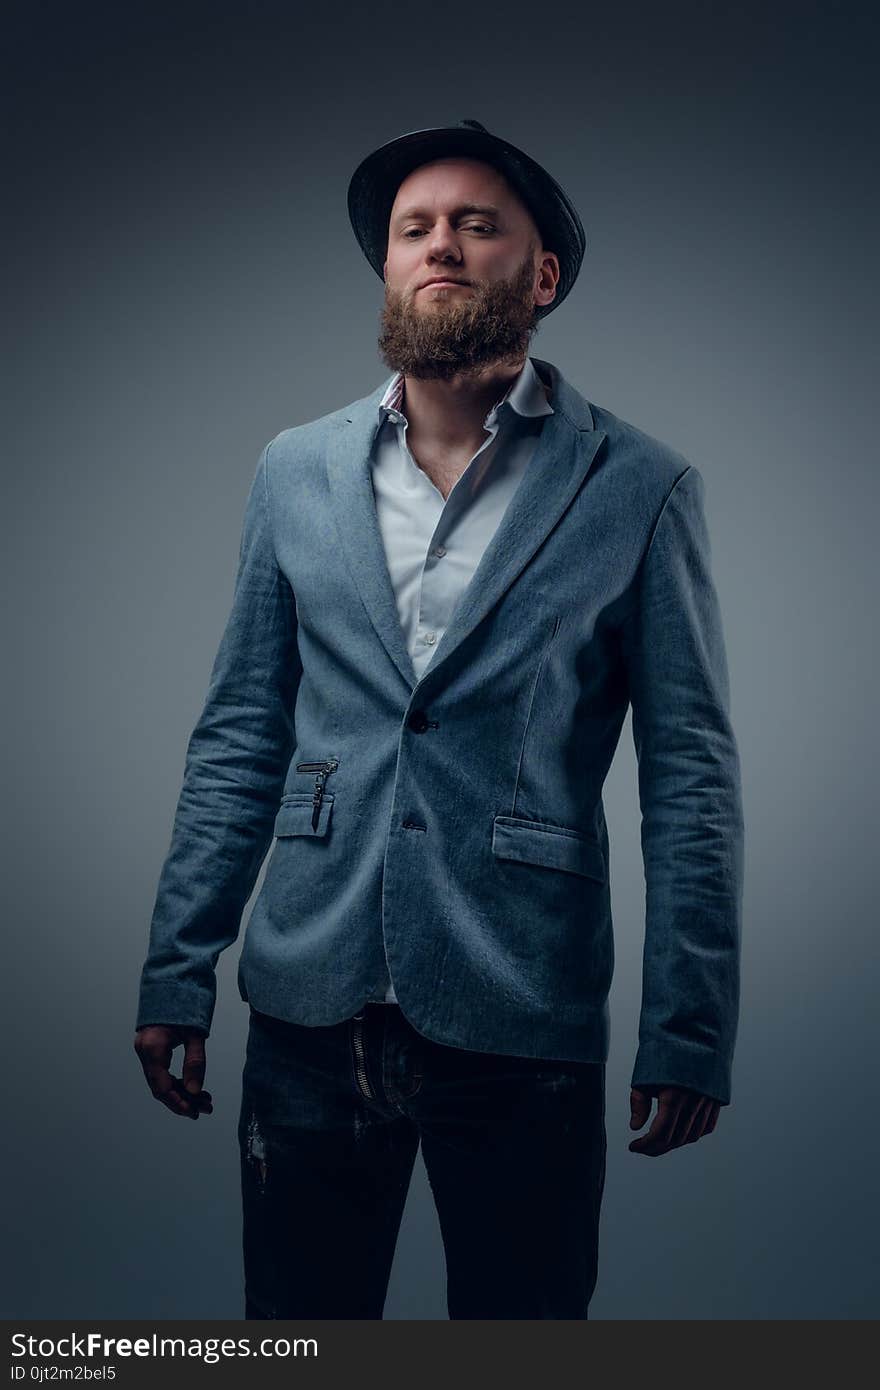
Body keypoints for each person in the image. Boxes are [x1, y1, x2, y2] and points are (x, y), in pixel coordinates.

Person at [133, 119, 744, 1320]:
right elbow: (241, 732)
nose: (440, 247)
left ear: (542, 275)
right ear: (389, 271)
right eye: (415, 229)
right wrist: (175, 967)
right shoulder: (294, 470)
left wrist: (689, 1026)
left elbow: (689, 777)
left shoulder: (641, 486)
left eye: (476, 225)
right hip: (309, 989)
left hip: (522, 996)